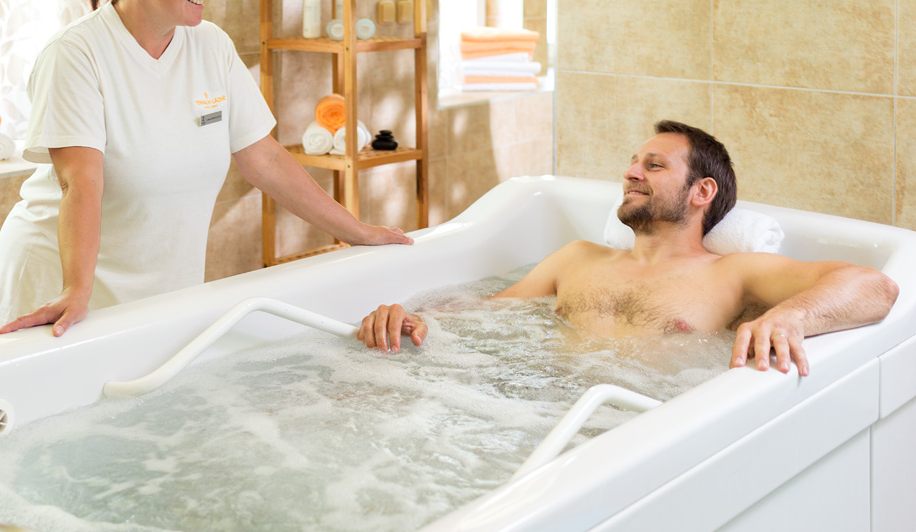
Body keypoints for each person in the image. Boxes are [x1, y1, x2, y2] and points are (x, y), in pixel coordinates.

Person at [0, 0, 410, 337]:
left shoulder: (211, 45)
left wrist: (357, 232)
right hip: (63, 284)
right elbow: (80, 182)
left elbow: (263, 157)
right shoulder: (76, 54)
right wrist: (76, 289)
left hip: (162, 287)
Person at [358, 121, 899, 375]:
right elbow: (483, 314)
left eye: (654, 166)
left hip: (638, 424)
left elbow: (875, 285)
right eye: (633, 163)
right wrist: (408, 317)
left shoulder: (732, 273)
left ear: (702, 193)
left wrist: (789, 317)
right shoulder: (577, 259)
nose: (631, 172)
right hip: (528, 404)